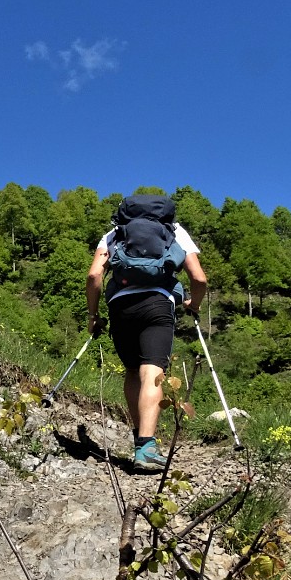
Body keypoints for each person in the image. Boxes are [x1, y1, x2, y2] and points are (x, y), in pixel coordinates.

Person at [85, 199, 207, 471]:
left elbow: (94, 276)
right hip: (157, 304)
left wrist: (93, 316)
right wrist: (193, 305)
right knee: (151, 372)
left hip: (120, 308)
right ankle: (147, 447)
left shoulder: (115, 233)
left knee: (131, 371)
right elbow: (199, 279)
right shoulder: (174, 231)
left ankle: (139, 434)